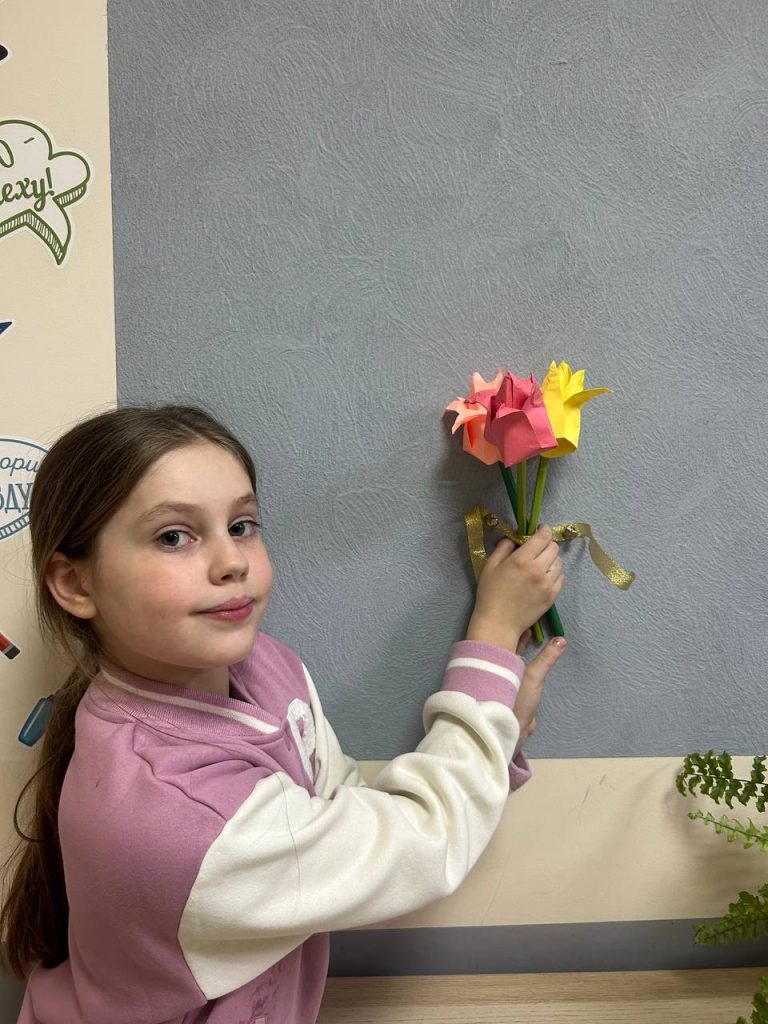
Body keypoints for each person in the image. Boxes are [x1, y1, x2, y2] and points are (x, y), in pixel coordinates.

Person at [0, 404, 566, 1024]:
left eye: (241, 525)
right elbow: (423, 845)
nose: (232, 561)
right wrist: (493, 638)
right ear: (76, 585)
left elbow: (345, 819)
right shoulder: (179, 818)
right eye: (173, 537)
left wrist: (496, 734)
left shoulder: (268, 667)